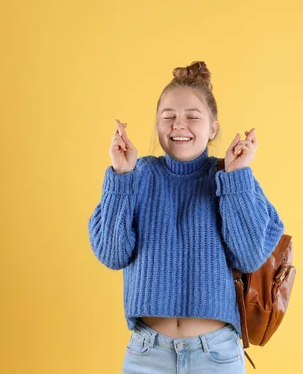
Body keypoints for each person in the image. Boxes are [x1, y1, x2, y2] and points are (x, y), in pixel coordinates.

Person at [88, 61, 285, 373]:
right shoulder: (137, 175)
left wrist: (237, 176)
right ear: (157, 125)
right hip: (146, 355)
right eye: (169, 117)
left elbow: (249, 257)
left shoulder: (230, 177)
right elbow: (112, 255)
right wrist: (121, 175)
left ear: (213, 127)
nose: (179, 125)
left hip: (217, 355)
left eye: (192, 117)